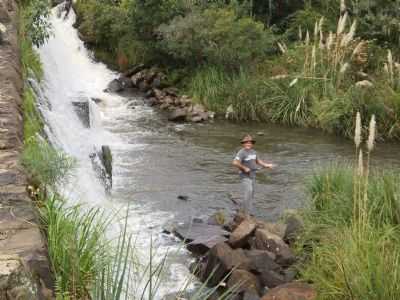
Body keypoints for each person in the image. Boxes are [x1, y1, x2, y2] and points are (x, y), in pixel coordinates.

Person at [232, 134, 275, 215]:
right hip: (244, 176)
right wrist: (244, 168)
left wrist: (267, 165)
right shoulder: (241, 152)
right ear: (243, 144)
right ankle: (244, 212)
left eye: (250, 143)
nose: (248, 144)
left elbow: (258, 161)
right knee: (249, 191)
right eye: (246, 142)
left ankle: (249, 210)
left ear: (252, 144)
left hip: (253, 175)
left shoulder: (254, 152)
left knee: (252, 194)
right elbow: (234, 162)